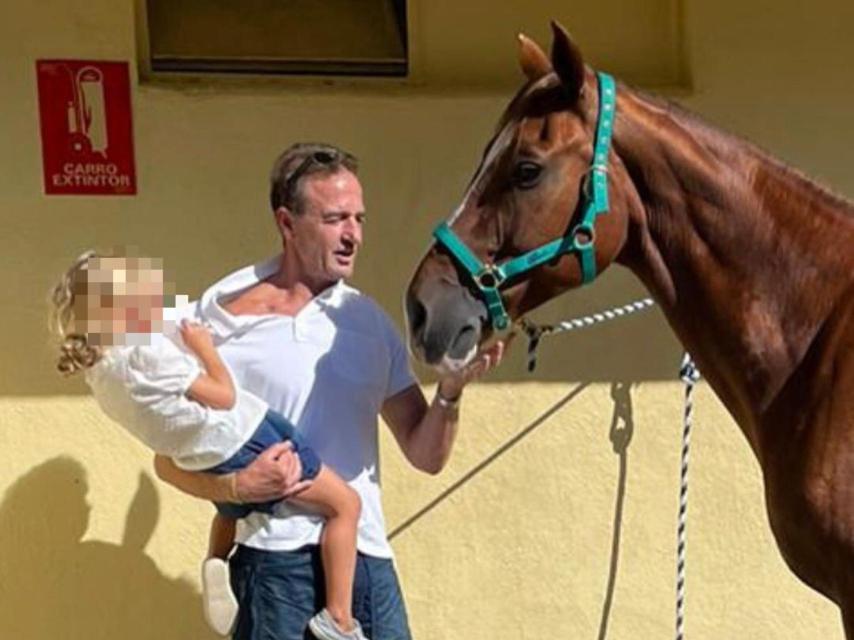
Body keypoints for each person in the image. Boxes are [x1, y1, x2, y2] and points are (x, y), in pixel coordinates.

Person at [154, 143, 508, 640]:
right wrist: (234, 488)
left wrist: (449, 394)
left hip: (366, 564)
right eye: (335, 218)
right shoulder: (222, 318)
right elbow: (167, 461)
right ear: (287, 222)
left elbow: (426, 455)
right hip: (274, 569)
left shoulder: (367, 323)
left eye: (359, 219)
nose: (353, 236)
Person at [49, 251, 372, 640]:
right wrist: (204, 347)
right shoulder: (146, 351)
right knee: (345, 506)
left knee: (231, 510)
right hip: (246, 436)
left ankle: (216, 559)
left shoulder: (100, 373)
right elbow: (224, 396)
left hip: (202, 458)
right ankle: (338, 619)